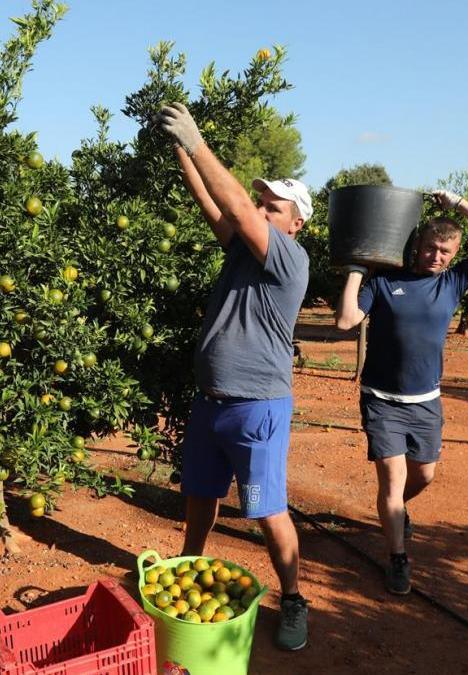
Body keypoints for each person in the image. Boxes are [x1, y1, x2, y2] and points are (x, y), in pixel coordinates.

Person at [156, 103, 312, 651]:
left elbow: (239, 207)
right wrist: (181, 152)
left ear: (296, 224)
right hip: (211, 403)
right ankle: (188, 568)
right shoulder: (242, 253)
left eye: (276, 208)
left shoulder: (290, 259)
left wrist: (198, 140)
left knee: (267, 510)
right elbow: (214, 205)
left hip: (257, 407)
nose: (264, 212)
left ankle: (292, 597)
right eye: (264, 204)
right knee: (200, 496)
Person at [334, 190, 468, 594]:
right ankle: (397, 557)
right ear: (418, 245)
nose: (437, 256)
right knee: (392, 482)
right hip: (381, 400)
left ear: (454, 254)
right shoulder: (385, 283)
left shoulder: (453, 282)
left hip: (426, 402)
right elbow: (346, 320)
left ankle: (396, 513)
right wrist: (357, 270)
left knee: (424, 476)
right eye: (431, 247)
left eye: (446, 251)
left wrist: (459, 203)